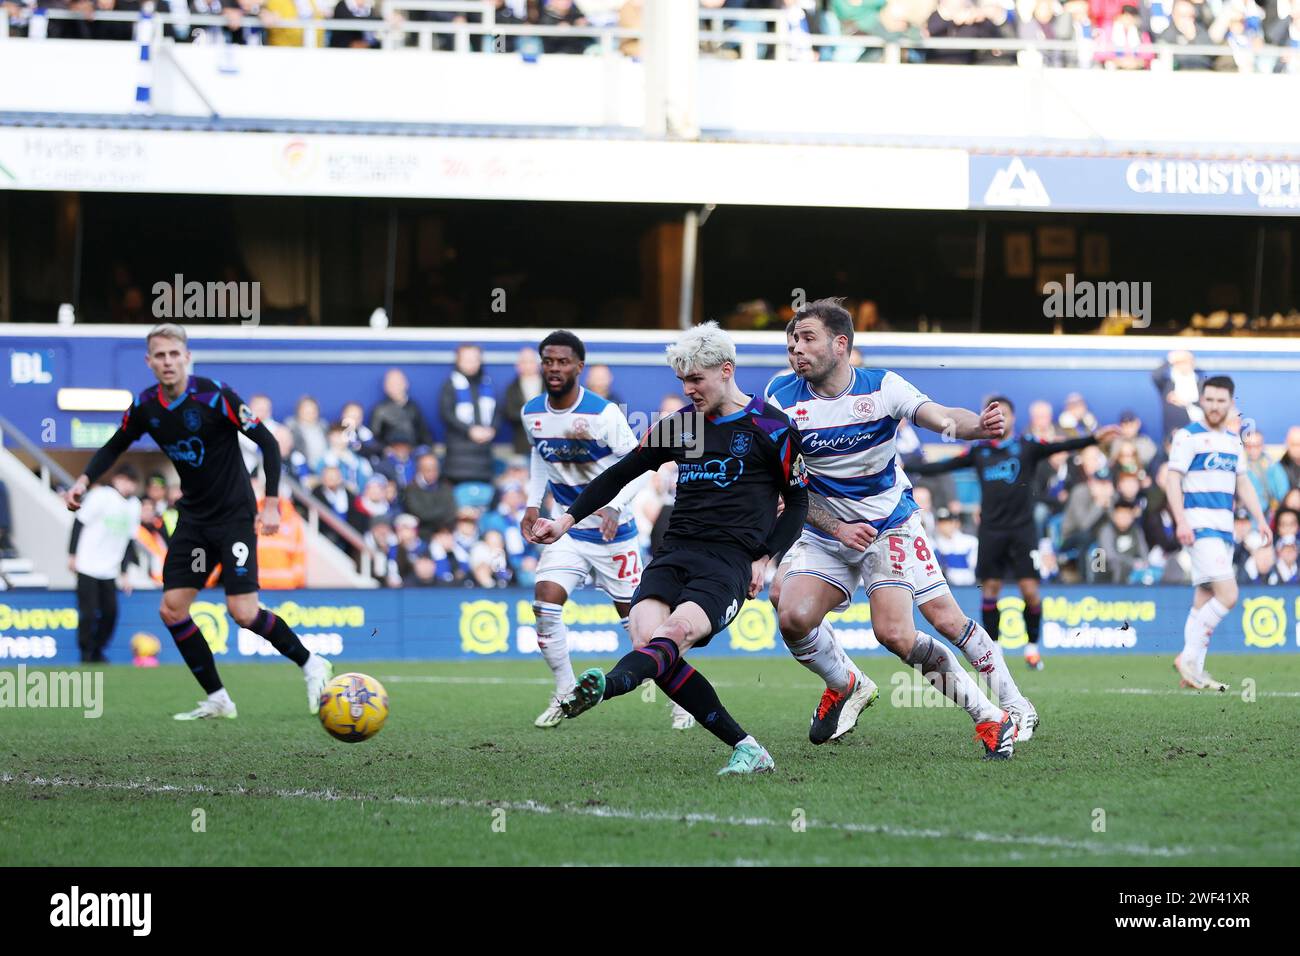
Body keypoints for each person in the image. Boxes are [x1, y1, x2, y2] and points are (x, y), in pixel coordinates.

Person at [532, 322, 808, 775]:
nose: (688, 389)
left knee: (672, 636)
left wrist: (766, 558)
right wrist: (565, 520)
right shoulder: (680, 425)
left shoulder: (771, 428)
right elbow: (621, 473)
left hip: (729, 561)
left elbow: (798, 501)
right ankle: (747, 747)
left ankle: (607, 685)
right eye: (682, 380)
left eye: (695, 379)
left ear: (726, 370)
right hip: (674, 552)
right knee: (648, 641)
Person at [767, 299, 1026, 757]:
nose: (795, 349)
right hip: (826, 529)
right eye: (792, 341)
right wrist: (834, 529)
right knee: (790, 614)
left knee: (900, 633)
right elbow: (785, 485)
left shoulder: (882, 387)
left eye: (806, 338)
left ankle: (997, 712)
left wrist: (979, 428)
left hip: (889, 526)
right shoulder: (781, 398)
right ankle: (846, 683)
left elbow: (942, 416)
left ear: (840, 344)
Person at [63, 323, 333, 720]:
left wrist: (271, 501)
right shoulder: (146, 407)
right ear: (149, 361)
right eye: (160, 355)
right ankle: (219, 698)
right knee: (172, 609)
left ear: (187, 357)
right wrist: (84, 480)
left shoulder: (215, 395)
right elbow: (116, 444)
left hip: (235, 517)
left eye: (175, 354)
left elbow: (269, 443)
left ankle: (311, 663)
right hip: (194, 523)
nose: (168, 361)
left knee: (242, 612)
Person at [517, 331, 690, 729]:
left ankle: (683, 698)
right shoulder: (531, 412)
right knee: (544, 605)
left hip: (615, 537)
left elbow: (642, 467)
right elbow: (539, 457)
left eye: (563, 362)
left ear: (579, 366)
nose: (554, 368)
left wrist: (614, 506)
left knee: (642, 631)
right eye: (548, 361)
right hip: (568, 531)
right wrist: (532, 503)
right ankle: (563, 693)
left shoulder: (604, 414)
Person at [912, 395, 1119, 670]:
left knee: (1030, 591)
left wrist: (1093, 439)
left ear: (1012, 418)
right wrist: (905, 466)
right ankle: (993, 650)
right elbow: (942, 466)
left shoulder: (1028, 447)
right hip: (991, 531)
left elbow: (1063, 444)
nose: (1000, 419)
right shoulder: (980, 452)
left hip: (1023, 531)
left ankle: (1032, 648)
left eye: (1004, 414)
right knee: (991, 591)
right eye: (993, 414)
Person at [1165, 376, 1271, 691]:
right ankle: (1188, 658)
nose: (1214, 406)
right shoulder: (1188, 436)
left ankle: (1192, 669)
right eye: (1209, 400)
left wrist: (1260, 518)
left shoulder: (1233, 440)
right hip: (1200, 527)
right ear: (1202, 400)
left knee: (1206, 596)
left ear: (1230, 403)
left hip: (1224, 530)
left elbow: (1242, 483)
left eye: (1220, 401)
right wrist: (1181, 520)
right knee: (1229, 594)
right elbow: (1173, 480)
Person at [67, 466, 142, 663]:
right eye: (126, 480)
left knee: (111, 613)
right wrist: (72, 554)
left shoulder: (134, 505)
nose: (129, 485)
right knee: (89, 613)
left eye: (132, 482)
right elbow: (79, 522)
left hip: (110, 570)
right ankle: (85, 652)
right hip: (87, 565)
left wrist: (125, 572)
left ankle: (98, 650)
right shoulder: (101, 496)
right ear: (116, 479)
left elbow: (129, 541)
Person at [438, 344, 498, 486]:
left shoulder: (487, 384)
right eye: (467, 359)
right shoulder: (450, 385)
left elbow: (497, 412)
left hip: (484, 461)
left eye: (475, 359)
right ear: (458, 361)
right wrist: (469, 430)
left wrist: (492, 429)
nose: (471, 363)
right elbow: (446, 414)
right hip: (457, 462)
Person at [502, 346, 543, 457]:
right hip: (523, 445)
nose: (528, 365)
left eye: (531, 361)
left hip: (549, 446)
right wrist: (532, 417)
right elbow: (510, 413)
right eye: (524, 362)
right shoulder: (511, 388)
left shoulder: (551, 387)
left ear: (538, 364)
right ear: (518, 366)